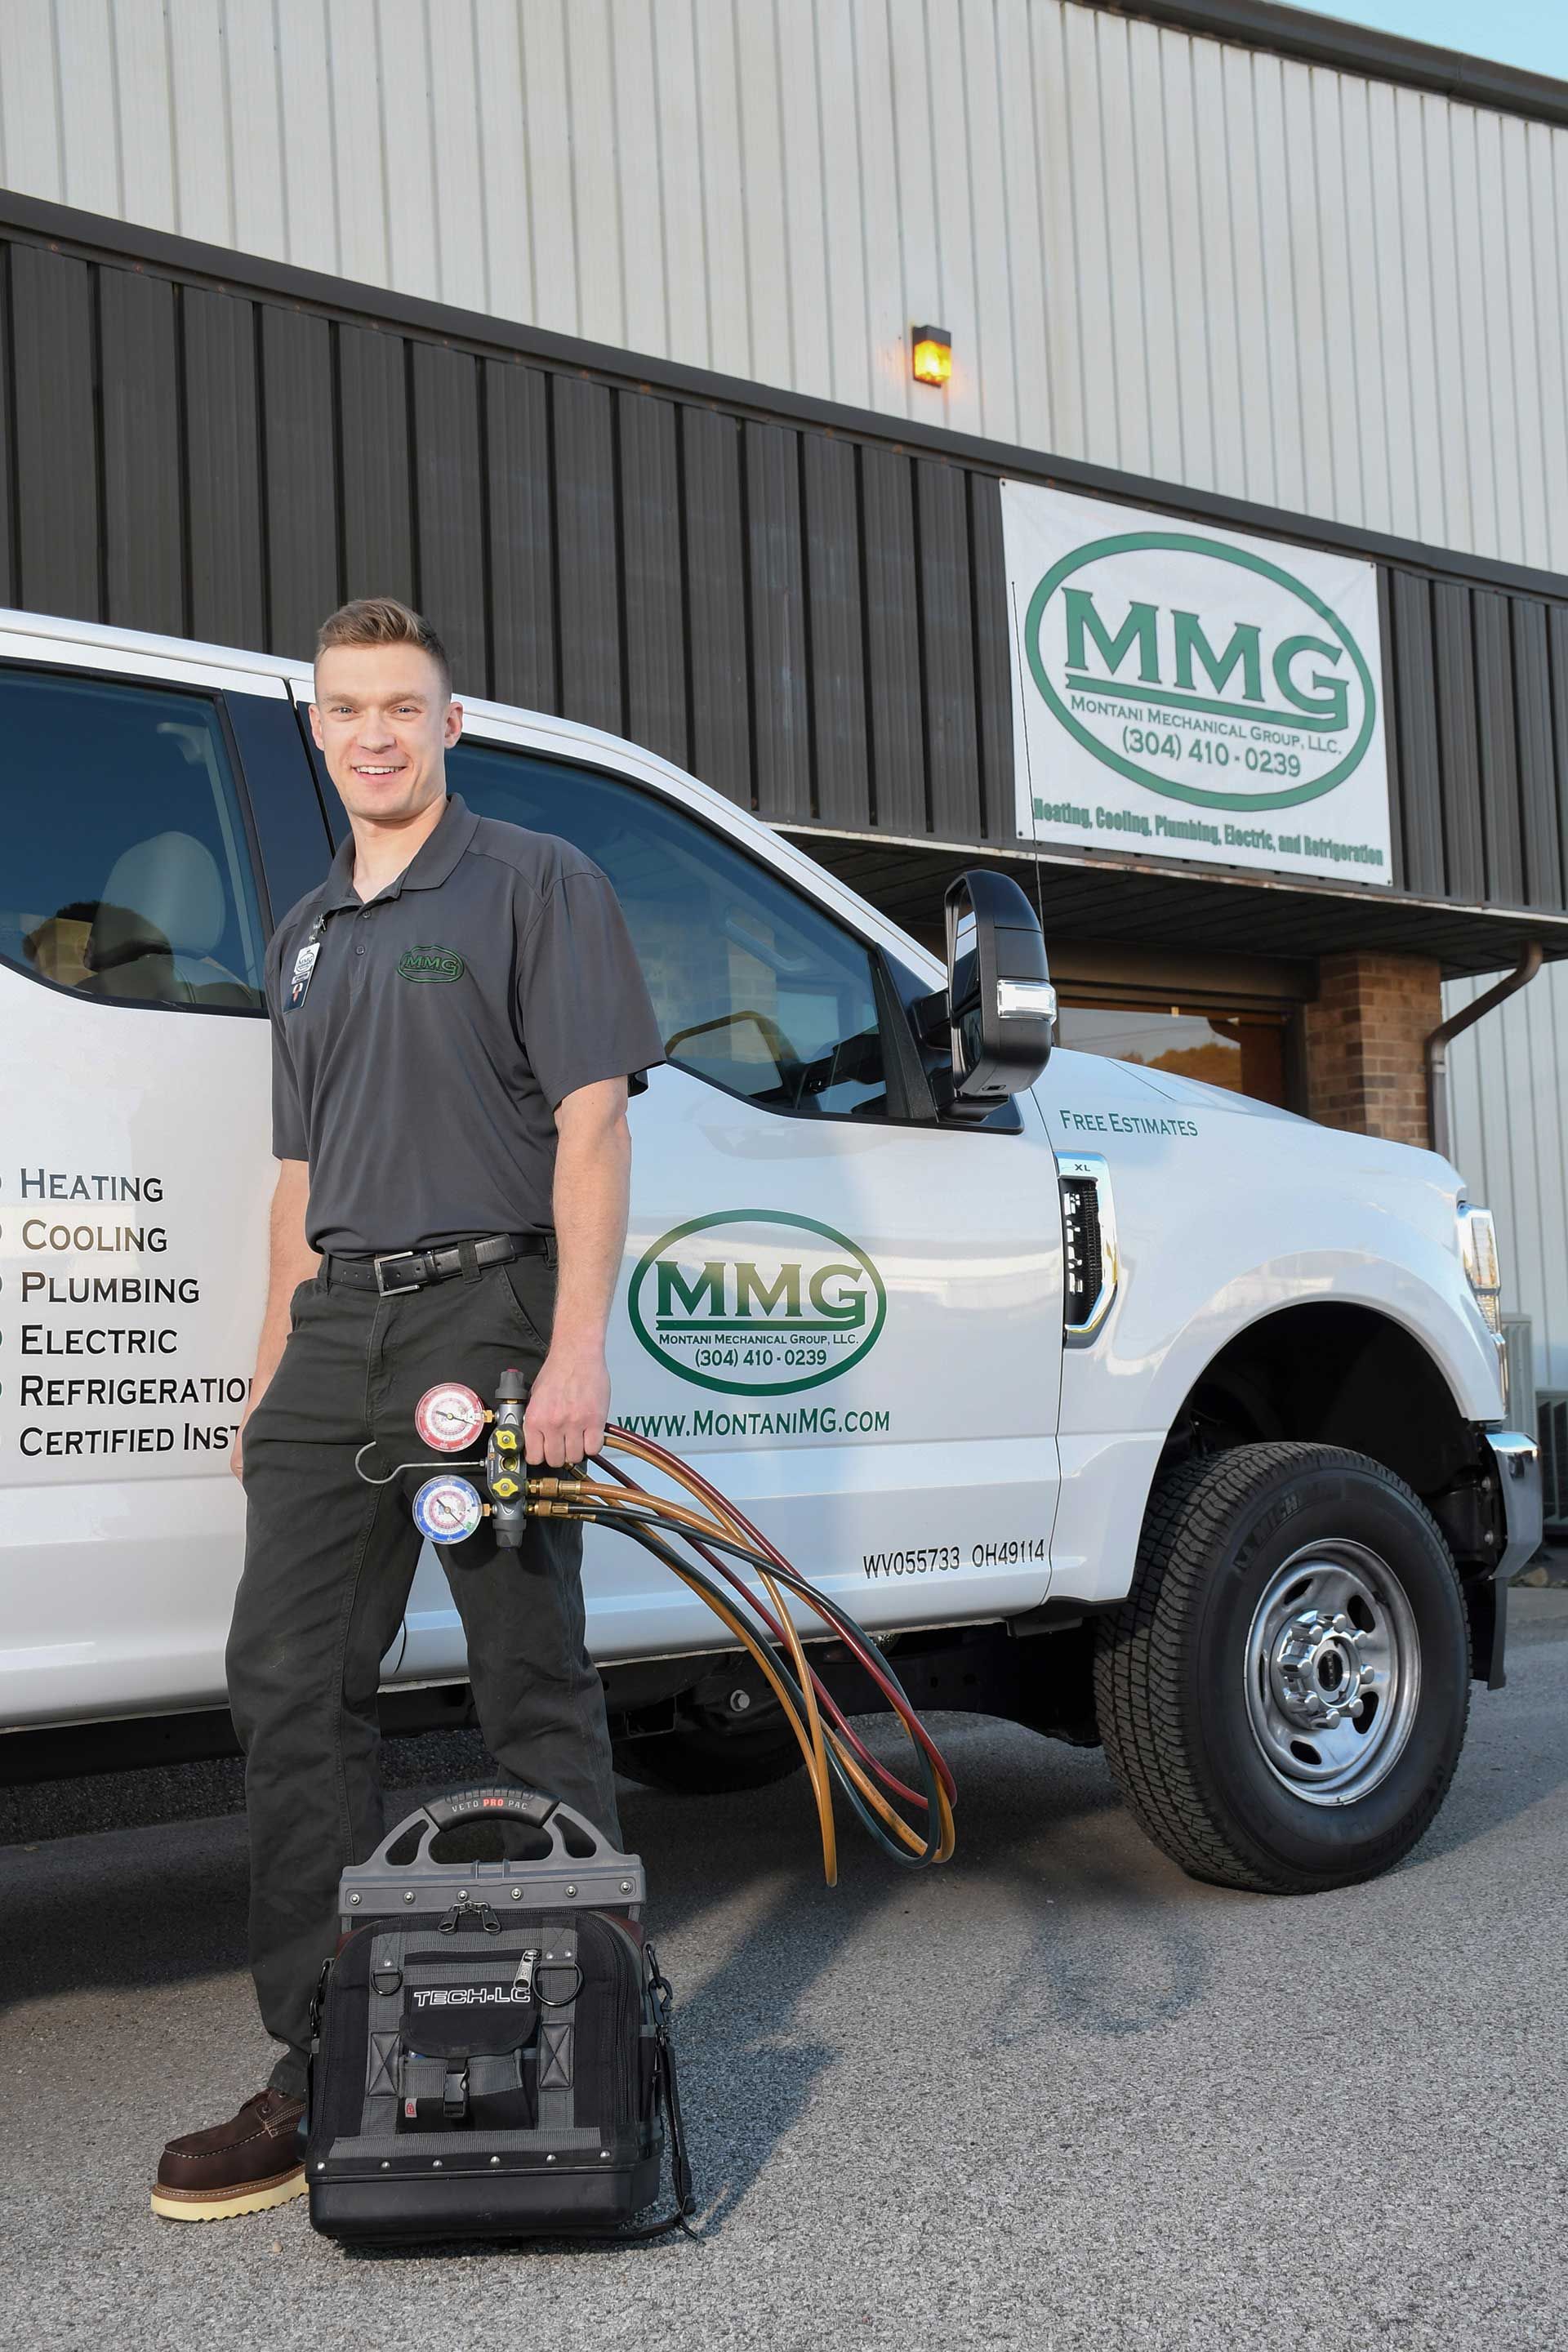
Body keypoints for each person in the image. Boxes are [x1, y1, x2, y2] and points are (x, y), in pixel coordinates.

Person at [151, 597, 666, 2222]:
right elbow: (299, 1178)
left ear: (454, 725)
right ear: (318, 730)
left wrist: (577, 1350)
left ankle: (589, 2037)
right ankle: (313, 2065)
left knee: (526, 1670)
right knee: (288, 1682)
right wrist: (266, 1372)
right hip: (338, 1333)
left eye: (403, 705)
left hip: (487, 1320)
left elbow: (591, 1128)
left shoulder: (533, 883)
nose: (374, 730)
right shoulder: (307, 931)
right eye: (347, 707)